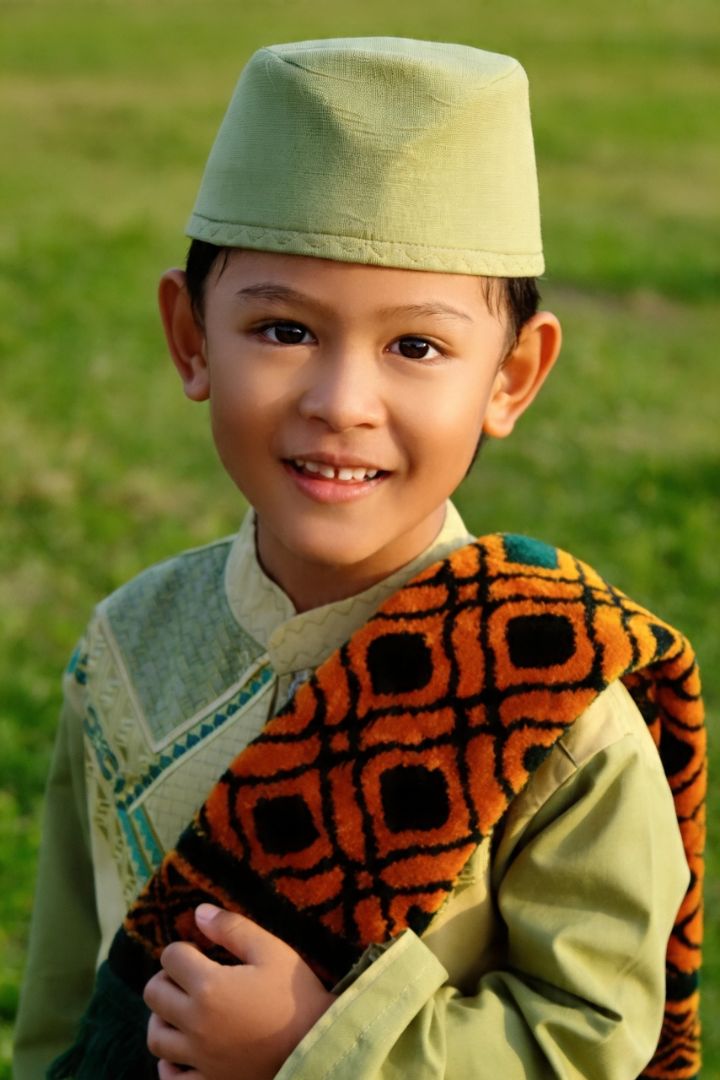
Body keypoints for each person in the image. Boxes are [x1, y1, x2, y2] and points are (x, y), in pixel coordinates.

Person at [14, 37, 702, 1080]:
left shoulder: (551, 691)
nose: (341, 403)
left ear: (512, 376)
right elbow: (65, 1008)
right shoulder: (126, 649)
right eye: (283, 330)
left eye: (415, 347)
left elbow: (591, 1036)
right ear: (191, 339)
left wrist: (317, 1045)